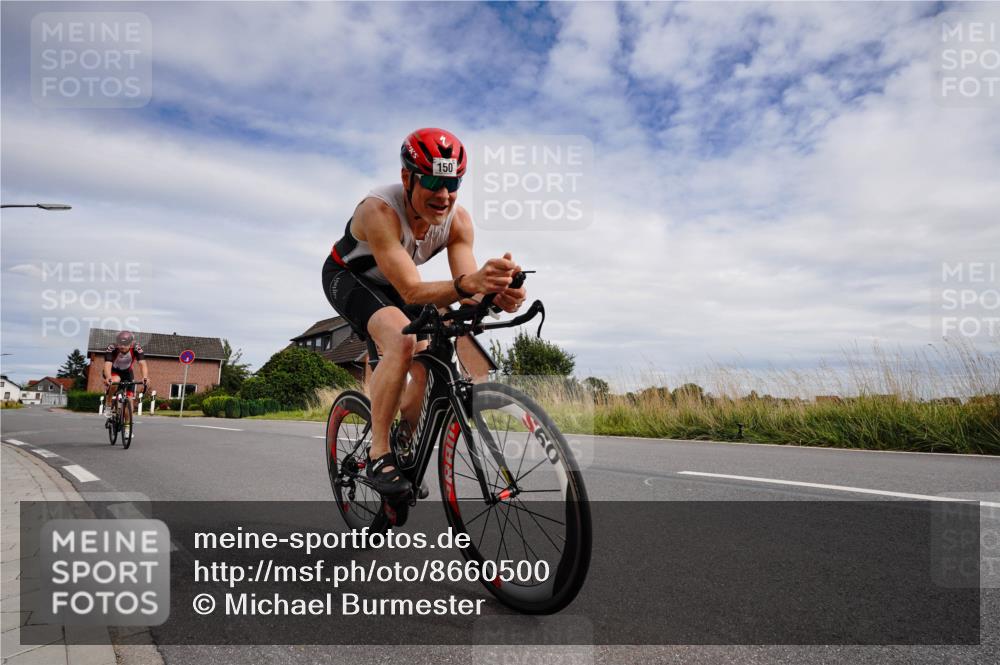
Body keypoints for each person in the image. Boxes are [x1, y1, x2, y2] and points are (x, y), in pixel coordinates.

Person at [322, 128, 526, 496]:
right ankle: (379, 451)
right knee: (403, 338)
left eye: (453, 183)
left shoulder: (458, 221)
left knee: (432, 349)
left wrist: (497, 294)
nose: (444, 195)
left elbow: (467, 287)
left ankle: (404, 437)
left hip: (398, 281)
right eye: (432, 180)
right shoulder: (379, 210)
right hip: (349, 277)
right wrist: (474, 284)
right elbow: (411, 290)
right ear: (407, 178)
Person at [103, 331, 149, 417]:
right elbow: (107, 364)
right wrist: (108, 377)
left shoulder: (136, 348)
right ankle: (108, 402)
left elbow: (142, 363)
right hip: (113, 371)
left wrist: (145, 377)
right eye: (120, 344)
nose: (122, 347)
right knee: (116, 380)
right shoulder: (112, 347)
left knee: (130, 401)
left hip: (127, 373)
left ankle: (127, 427)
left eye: (125, 344)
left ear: (131, 343)